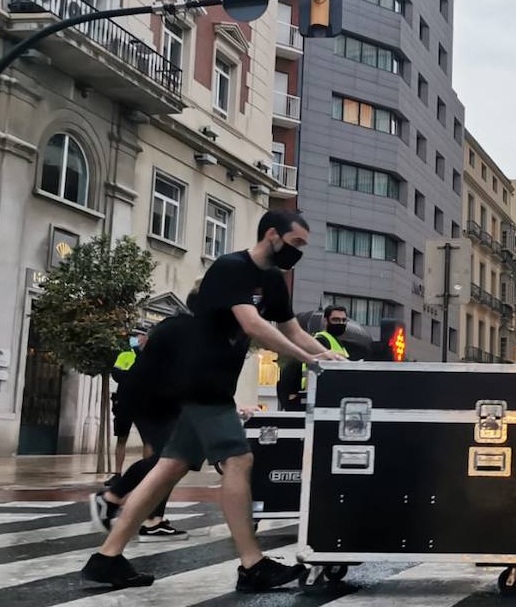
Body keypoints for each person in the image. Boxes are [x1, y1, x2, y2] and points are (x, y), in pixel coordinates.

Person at [81, 211, 347, 591]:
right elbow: (253, 324)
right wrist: (308, 360)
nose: (299, 252)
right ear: (272, 235)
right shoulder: (230, 268)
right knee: (239, 459)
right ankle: (252, 564)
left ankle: (107, 557)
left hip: (217, 384)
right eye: (296, 243)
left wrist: (324, 354)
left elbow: (290, 328)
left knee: (167, 470)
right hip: (201, 382)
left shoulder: (271, 280)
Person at [90, 289, 201, 542]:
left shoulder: (189, 327)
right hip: (148, 399)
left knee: (174, 459)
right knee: (170, 458)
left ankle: (152, 520)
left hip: (162, 400)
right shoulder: (185, 327)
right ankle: (110, 498)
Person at [275, 305, 351, 411]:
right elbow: (295, 363)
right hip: (312, 398)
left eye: (344, 320)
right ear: (325, 321)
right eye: (336, 320)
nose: (341, 323)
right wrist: (290, 395)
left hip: (324, 397)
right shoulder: (321, 340)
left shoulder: (339, 344)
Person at [110, 334, 146, 476]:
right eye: (135, 336)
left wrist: (128, 376)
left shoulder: (150, 356)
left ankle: (146, 474)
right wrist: (132, 377)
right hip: (124, 402)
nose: (136, 339)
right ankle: (117, 473)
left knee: (147, 440)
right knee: (121, 438)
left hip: (144, 404)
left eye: (139, 336)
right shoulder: (124, 355)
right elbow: (116, 374)